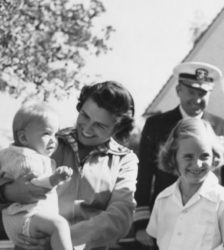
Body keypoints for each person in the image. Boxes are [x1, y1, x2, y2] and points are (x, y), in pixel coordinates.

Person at [0, 81, 138, 250]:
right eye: (85, 116)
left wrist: (60, 238)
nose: (87, 128)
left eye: (100, 125)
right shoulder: (46, 141)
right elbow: (8, 166)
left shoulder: (125, 160)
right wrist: (7, 192)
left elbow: (120, 217)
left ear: (117, 129)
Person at [134, 61, 224, 242]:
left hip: (210, 219)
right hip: (167, 217)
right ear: (178, 91)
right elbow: (144, 175)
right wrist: (142, 223)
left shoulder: (221, 126)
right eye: (191, 92)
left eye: (203, 93)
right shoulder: (157, 125)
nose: (197, 99)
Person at [139, 118, 224, 250]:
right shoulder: (163, 199)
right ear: (173, 157)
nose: (197, 164)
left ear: (215, 156)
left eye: (204, 156)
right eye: (188, 157)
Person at [0, 103, 73, 250]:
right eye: (46, 133)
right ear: (23, 137)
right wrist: (55, 179)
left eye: (55, 134)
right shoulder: (27, 159)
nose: (54, 140)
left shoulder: (12, 154)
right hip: (26, 216)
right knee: (59, 225)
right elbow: (34, 186)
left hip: (19, 218)